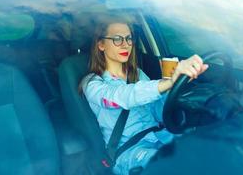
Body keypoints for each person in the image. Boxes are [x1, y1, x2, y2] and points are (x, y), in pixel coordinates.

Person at [80, 15, 209, 175]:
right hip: (129, 151)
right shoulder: (92, 83)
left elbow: (157, 110)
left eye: (129, 39)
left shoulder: (137, 75)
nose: (126, 44)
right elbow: (121, 97)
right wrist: (167, 83)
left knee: (205, 150)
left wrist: (175, 93)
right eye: (117, 39)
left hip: (160, 135)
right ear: (101, 45)